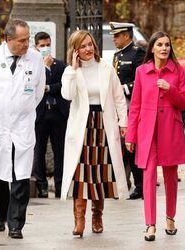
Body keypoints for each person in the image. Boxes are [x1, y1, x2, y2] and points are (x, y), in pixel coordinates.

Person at [60, 30, 129, 237]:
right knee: (81, 173)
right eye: (82, 46)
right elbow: (67, 95)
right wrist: (72, 69)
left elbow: (118, 98)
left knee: (99, 172)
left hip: (103, 124)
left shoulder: (106, 68)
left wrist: (123, 122)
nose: (88, 49)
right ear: (75, 50)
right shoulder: (70, 71)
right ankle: (79, 220)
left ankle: (97, 216)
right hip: (82, 127)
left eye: (90, 44)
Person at [125, 31, 185, 241]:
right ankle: (150, 224)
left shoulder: (178, 71)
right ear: (152, 48)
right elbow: (134, 106)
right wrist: (131, 136)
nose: (164, 48)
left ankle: (170, 217)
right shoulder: (142, 71)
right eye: (160, 45)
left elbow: (184, 103)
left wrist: (170, 89)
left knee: (171, 176)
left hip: (170, 128)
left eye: (167, 45)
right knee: (149, 175)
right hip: (147, 131)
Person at [0, 19, 45, 239]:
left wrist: (22, 111)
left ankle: (16, 224)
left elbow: (38, 91)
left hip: (22, 127)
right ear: (8, 39)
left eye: (28, 40)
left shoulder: (36, 58)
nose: (26, 45)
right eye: (22, 41)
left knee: (20, 176)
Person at [110, 21, 145, 199]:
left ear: (126, 35)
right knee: (120, 145)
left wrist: (124, 88)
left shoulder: (138, 54)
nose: (114, 39)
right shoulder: (117, 55)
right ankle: (123, 182)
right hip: (118, 105)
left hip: (132, 104)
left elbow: (141, 79)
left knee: (132, 146)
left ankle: (141, 185)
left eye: (117, 36)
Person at [32, 32, 70, 198]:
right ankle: (42, 185)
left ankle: (60, 184)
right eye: (42, 45)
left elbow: (63, 86)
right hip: (40, 114)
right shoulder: (34, 66)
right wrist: (45, 70)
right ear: (36, 47)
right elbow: (34, 86)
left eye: (47, 44)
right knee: (38, 151)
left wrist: (48, 87)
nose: (45, 48)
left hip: (57, 113)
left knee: (59, 151)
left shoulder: (60, 65)